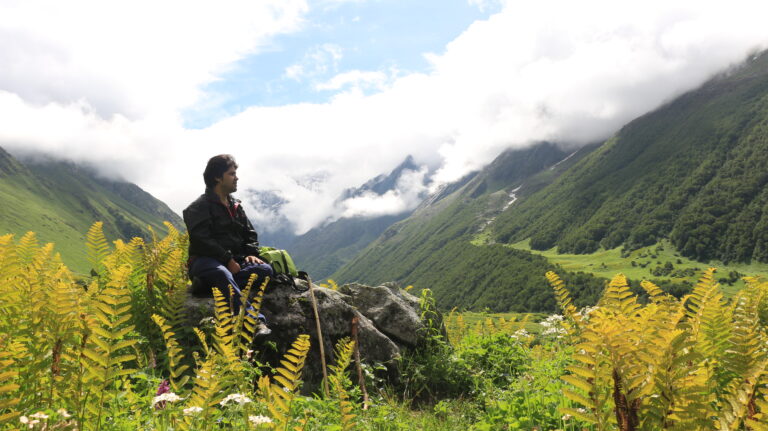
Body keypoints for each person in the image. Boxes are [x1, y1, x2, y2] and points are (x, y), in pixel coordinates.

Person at [183, 154, 273, 335]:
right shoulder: (197, 208)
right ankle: (253, 321)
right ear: (218, 177)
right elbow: (202, 240)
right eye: (232, 174)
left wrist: (251, 252)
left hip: (235, 260)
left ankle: (209, 285)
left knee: (265, 270)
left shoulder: (236, 206)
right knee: (221, 272)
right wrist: (227, 260)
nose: (236, 178)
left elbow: (250, 233)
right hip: (205, 260)